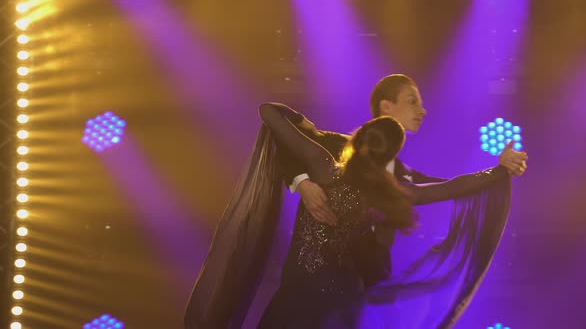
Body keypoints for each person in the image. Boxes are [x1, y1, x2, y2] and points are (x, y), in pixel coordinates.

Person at [184, 100, 514, 328]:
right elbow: (455, 187)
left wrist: (301, 121)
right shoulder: (389, 193)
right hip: (342, 304)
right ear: (393, 153)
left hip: (298, 296)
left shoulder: (321, 165)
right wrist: (500, 172)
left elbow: (267, 111)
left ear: (357, 138)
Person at [278, 74, 528, 286]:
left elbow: (450, 186)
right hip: (315, 278)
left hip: (368, 284)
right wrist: (302, 183)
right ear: (387, 106)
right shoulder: (340, 148)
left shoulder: (404, 174)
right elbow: (285, 146)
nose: (422, 110)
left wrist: (499, 170)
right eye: (412, 101)